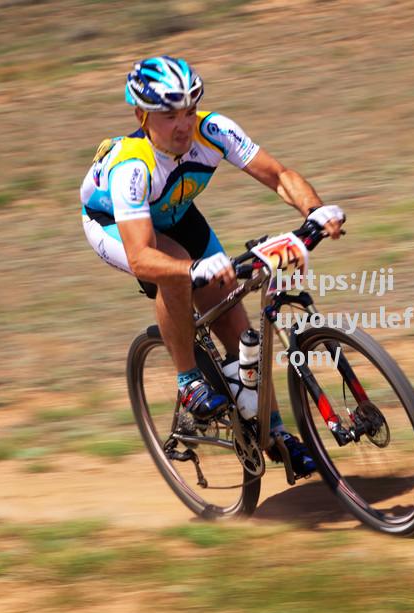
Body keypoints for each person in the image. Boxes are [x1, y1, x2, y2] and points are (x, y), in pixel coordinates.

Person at [79, 55, 344, 476]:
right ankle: (188, 383)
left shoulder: (213, 129)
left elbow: (276, 175)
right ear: (140, 115)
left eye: (188, 110)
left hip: (176, 212)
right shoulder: (132, 165)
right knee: (178, 268)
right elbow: (141, 254)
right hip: (115, 225)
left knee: (242, 333)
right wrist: (190, 273)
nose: (183, 124)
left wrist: (316, 210)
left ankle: (276, 435)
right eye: (169, 115)